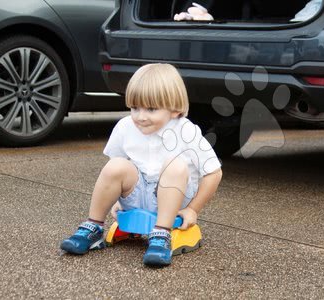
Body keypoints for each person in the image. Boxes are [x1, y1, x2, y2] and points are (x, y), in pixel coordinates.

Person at [60, 63, 223, 266]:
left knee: (175, 166)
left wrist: (192, 209)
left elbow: (213, 173)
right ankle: (93, 226)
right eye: (135, 107)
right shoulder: (125, 127)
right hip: (137, 195)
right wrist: (118, 200)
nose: (140, 116)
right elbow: (116, 172)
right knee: (116, 165)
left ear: (174, 109)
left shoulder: (186, 132)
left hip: (173, 199)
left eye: (151, 109)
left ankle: (161, 233)